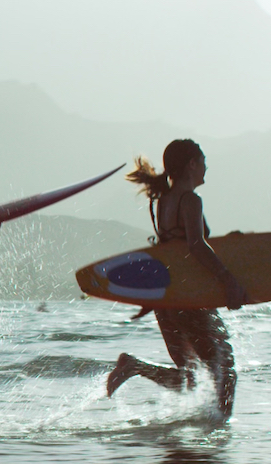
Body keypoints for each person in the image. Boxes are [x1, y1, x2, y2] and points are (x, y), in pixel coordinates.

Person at [104, 139, 247, 419]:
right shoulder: (190, 199)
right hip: (190, 298)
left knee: (193, 378)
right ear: (192, 164)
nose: (206, 166)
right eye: (203, 160)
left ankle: (135, 367)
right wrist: (228, 280)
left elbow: (174, 248)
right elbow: (194, 245)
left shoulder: (164, 202)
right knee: (225, 372)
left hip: (168, 299)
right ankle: (215, 442)